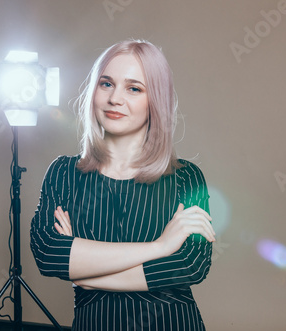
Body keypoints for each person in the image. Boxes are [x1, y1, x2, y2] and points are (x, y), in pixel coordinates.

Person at [30, 39, 215, 330]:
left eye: (134, 88)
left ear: (155, 100)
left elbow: (191, 264)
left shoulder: (186, 178)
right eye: (106, 84)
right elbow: (50, 254)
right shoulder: (64, 173)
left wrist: (84, 274)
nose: (115, 98)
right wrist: (160, 246)